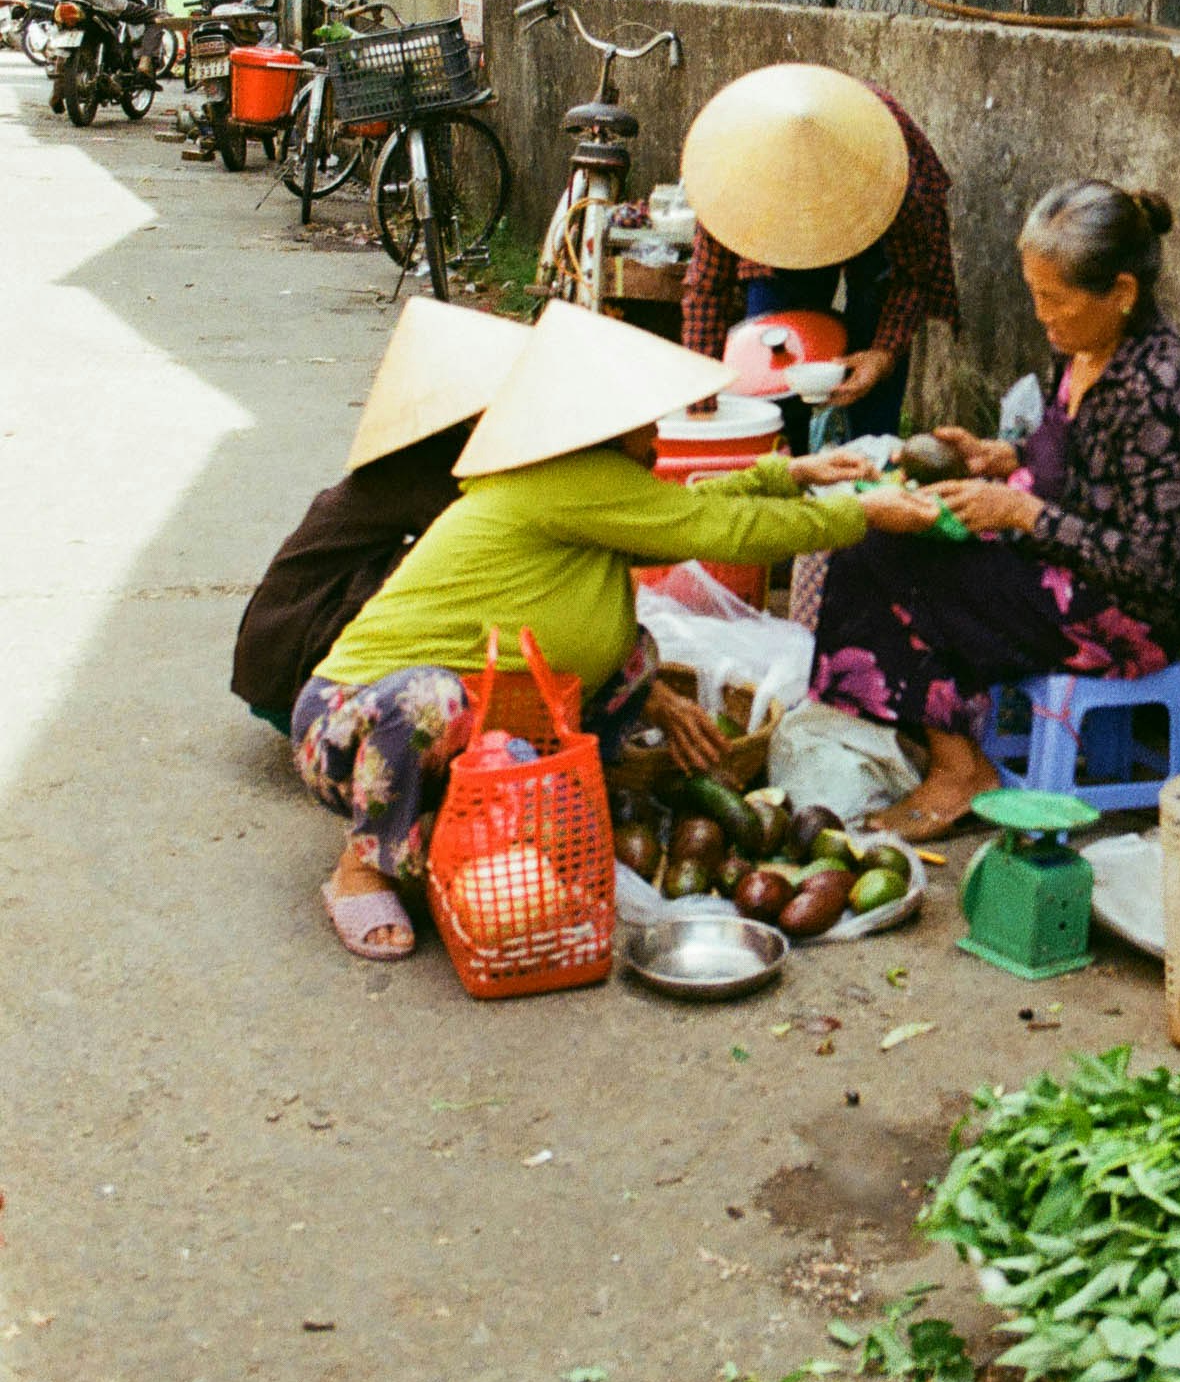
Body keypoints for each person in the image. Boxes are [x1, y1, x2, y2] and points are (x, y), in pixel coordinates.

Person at [291, 301, 937, 960]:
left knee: (634, 656)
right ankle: (362, 867)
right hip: (347, 726)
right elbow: (719, 530)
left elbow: (685, 509)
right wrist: (862, 513)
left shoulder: (584, 485)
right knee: (431, 695)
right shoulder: (569, 480)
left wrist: (787, 473)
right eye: (643, 419)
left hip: (454, 718)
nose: (655, 432)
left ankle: (558, 802)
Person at [808, 182, 1180, 842]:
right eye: (1036, 294)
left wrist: (1025, 514)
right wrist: (1000, 457)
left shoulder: (1158, 387)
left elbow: (1153, 567)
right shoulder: (1079, 347)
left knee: (892, 565)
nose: (1042, 315)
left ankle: (960, 768)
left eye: (1056, 300)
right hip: (1054, 565)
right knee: (877, 533)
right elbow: (1067, 459)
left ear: (1122, 292)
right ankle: (954, 753)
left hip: (1121, 614)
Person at [232, 297, 527, 732]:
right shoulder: (422, 466)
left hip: (278, 641)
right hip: (295, 652)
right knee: (463, 569)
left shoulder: (423, 452)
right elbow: (491, 541)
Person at [679, 62, 957, 450]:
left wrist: (882, 355)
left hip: (872, 203)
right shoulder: (735, 177)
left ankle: (869, 468)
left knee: (871, 385)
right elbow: (706, 291)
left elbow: (910, 277)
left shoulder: (892, 171)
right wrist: (702, 404)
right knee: (773, 358)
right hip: (769, 218)